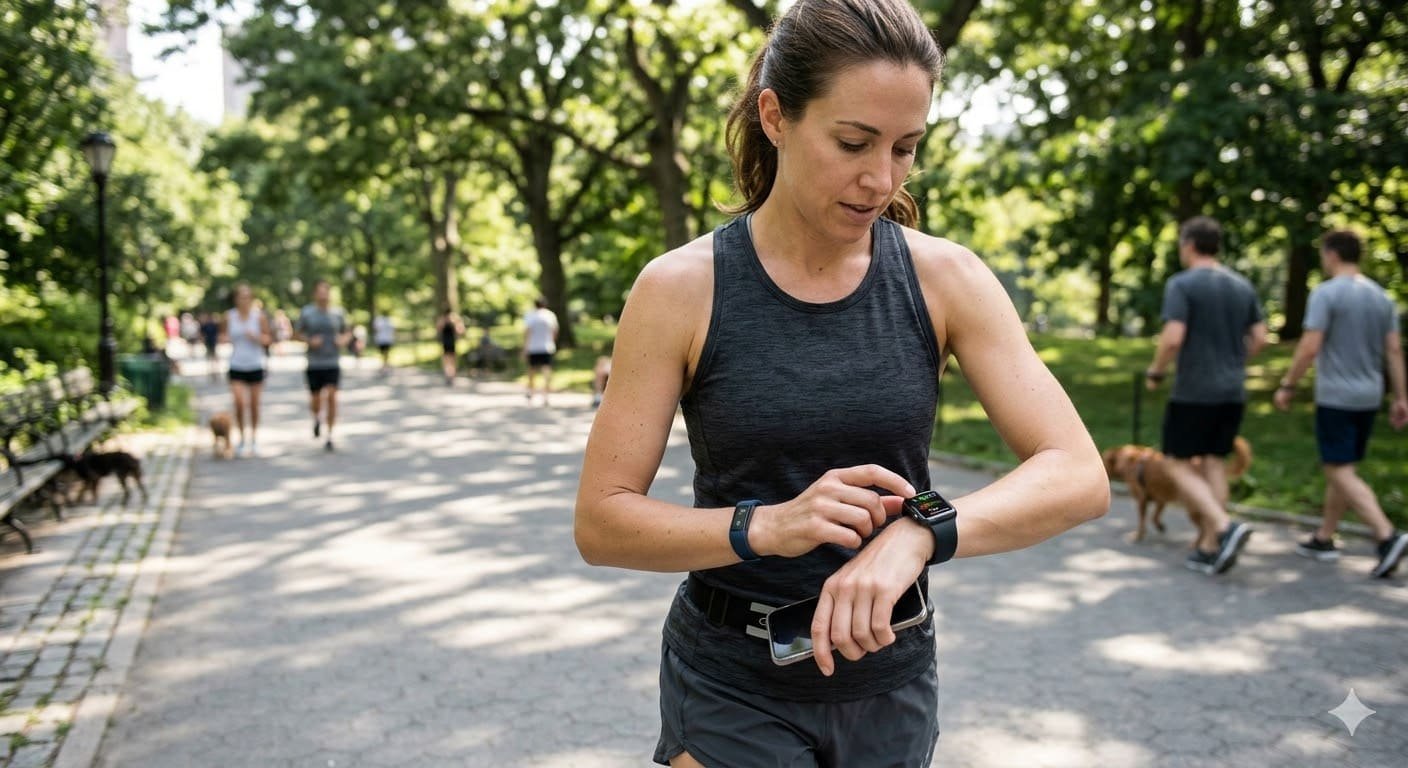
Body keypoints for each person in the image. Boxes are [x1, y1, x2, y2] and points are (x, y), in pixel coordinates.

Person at [573, 2, 1109, 765]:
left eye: (906, 148)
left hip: (891, 681)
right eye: (853, 142)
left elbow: (1079, 475)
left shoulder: (946, 277)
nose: (879, 178)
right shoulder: (681, 288)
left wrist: (920, 532)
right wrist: (767, 525)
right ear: (775, 116)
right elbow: (602, 522)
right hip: (732, 689)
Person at [1273, 230, 1408, 578]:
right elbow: (1394, 350)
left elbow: (1309, 346)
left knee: (1337, 468)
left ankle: (1386, 535)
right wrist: (1401, 397)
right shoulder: (1381, 297)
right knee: (1344, 466)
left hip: (1337, 396)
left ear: (1332, 254)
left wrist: (1288, 384)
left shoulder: (1327, 293)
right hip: (1370, 395)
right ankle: (1324, 536)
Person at [1145, 215, 1267, 575]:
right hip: (1233, 390)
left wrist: (1156, 371)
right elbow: (1260, 338)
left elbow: (1172, 337)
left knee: (1175, 462)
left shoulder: (1182, 284)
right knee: (1213, 462)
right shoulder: (1243, 286)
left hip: (1195, 391)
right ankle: (1211, 546)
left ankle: (1224, 527)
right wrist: (1233, 360)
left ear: (1189, 244)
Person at [295, 280, 350, 452]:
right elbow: (296, 333)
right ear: (315, 295)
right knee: (316, 399)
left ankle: (330, 435)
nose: (323, 295)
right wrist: (309, 341)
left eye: (326, 292)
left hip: (332, 362)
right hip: (314, 363)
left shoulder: (338, 313)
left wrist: (342, 340)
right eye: (320, 292)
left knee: (332, 397)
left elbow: (347, 331)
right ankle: (317, 418)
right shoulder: (307, 313)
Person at [222, 284, 272, 457]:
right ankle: (242, 439)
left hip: (255, 364)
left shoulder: (259, 317)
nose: (244, 300)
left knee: (254, 404)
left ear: (251, 298)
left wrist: (257, 337)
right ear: (236, 299)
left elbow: (268, 340)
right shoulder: (229, 316)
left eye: (247, 296)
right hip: (236, 364)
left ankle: (254, 439)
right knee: (239, 403)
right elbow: (222, 336)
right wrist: (224, 338)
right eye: (241, 296)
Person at [523, 296, 558, 404]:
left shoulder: (530, 315)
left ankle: (531, 392)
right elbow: (555, 330)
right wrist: (552, 342)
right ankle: (546, 395)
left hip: (533, 347)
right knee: (546, 370)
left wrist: (525, 347)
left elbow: (527, 332)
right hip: (547, 347)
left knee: (531, 371)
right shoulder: (550, 315)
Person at [436, 308, 465, 385]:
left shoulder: (454, 321)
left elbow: (460, 331)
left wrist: (456, 322)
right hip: (446, 342)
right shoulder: (443, 320)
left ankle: (451, 376)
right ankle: (448, 376)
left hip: (451, 343)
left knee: (451, 361)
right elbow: (439, 329)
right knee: (447, 360)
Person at [199, 312, 221, 382]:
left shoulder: (214, 325)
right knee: (210, 356)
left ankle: (215, 369)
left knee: (214, 355)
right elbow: (202, 334)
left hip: (213, 342)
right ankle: (211, 369)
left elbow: (218, 333)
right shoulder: (205, 325)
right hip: (208, 342)